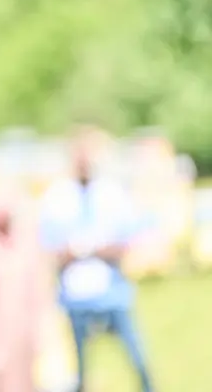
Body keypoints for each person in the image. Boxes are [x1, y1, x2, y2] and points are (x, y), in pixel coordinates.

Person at [38, 128, 153, 392]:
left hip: (111, 293)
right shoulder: (57, 197)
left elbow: (126, 242)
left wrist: (92, 248)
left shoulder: (111, 193)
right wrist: (74, 251)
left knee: (138, 360)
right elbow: (50, 249)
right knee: (79, 370)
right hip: (75, 297)